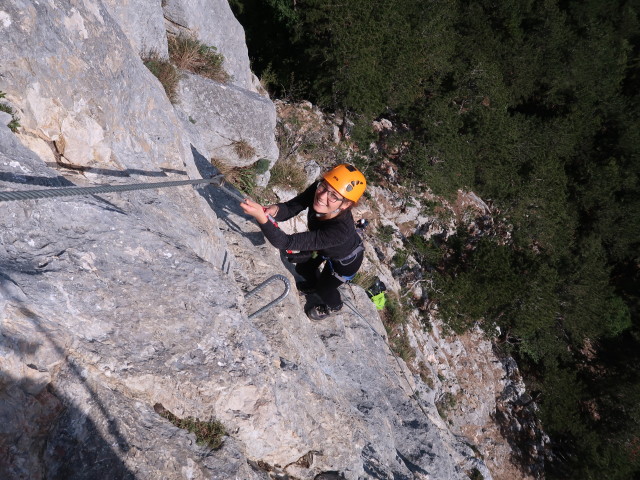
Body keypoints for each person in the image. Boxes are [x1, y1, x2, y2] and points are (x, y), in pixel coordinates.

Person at [240, 164, 366, 320]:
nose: (322, 196)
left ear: (346, 204)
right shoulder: (318, 190)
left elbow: (285, 242)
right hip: (323, 248)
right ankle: (312, 285)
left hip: (346, 261)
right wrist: (273, 210)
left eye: (334, 196)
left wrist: (261, 218)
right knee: (302, 269)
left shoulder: (340, 231)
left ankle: (335, 306)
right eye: (324, 186)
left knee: (325, 289)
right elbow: (291, 208)